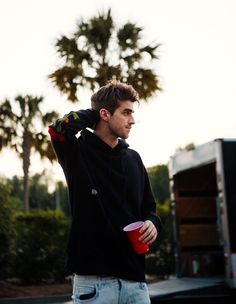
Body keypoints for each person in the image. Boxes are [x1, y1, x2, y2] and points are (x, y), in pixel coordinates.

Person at [48, 80, 162, 304]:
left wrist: (152, 223)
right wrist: (92, 115)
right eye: (126, 112)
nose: (132, 120)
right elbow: (59, 129)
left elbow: (149, 208)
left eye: (132, 113)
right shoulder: (77, 152)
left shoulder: (134, 158)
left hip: (135, 282)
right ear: (105, 114)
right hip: (93, 284)